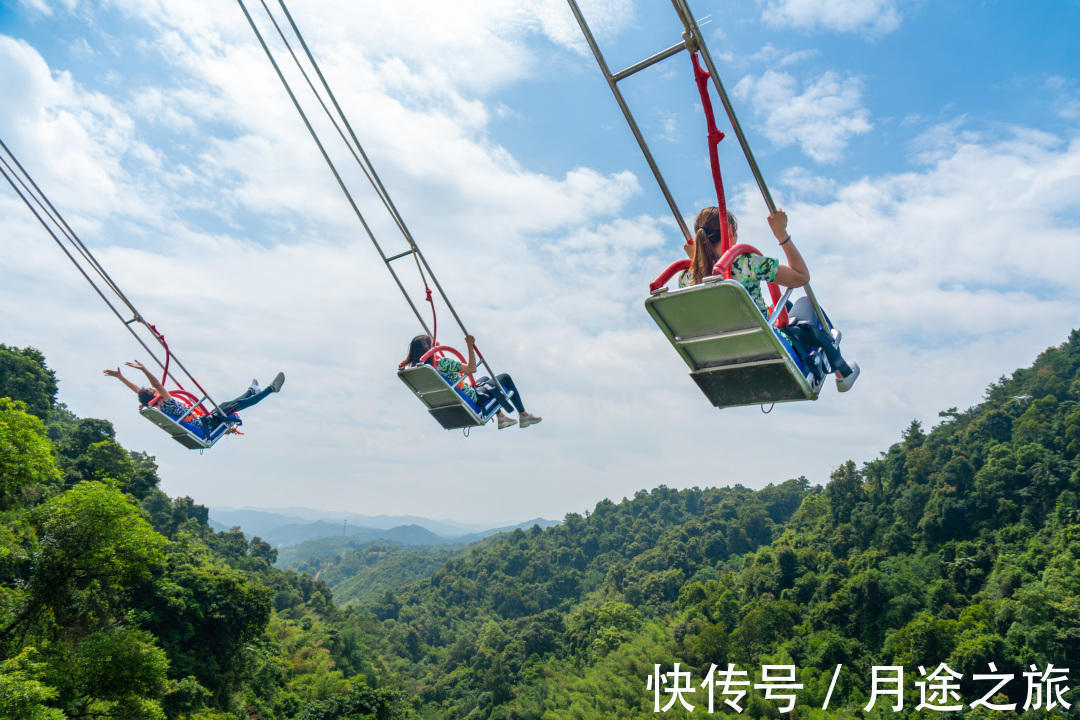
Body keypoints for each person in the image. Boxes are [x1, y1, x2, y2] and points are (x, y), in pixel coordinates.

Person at [679, 206, 859, 392]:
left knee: (785, 306)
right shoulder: (745, 263)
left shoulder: (686, 279)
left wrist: (697, 260)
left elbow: (710, 294)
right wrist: (781, 234)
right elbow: (801, 276)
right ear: (730, 233)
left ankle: (841, 368)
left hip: (719, 356)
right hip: (762, 349)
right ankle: (841, 371)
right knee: (805, 304)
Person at [104, 360, 285, 436]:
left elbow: (139, 392)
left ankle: (251, 392)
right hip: (208, 425)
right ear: (155, 395)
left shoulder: (159, 407)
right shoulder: (167, 404)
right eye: (153, 390)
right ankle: (271, 389)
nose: (155, 389)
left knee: (227, 405)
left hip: (205, 421)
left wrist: (120, 377)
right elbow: (158, 385)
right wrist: (144, 370)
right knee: (234, 406)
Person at [399, 334, 542, 428]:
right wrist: (470, 345)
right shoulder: (443, 364)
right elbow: (471, 369)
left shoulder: (423, 371)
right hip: (472, 397)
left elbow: (427, 360)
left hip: (454, 398)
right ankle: (523, 415)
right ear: (429, 349)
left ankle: (501, 417)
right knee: (505, 377)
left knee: (485, 379)